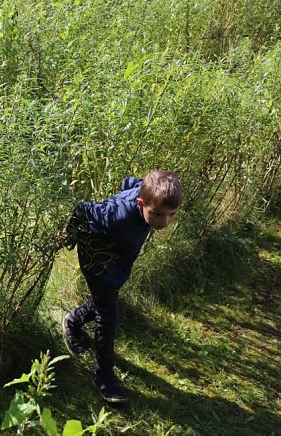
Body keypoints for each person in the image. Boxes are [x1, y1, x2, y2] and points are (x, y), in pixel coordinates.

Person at [62, 169, 183, 404]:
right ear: (141, 204)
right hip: (98, 261)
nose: (164, 222)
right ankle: (103, 375)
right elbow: (82, 209)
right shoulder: (116, 217)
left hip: (118, 262)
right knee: (108, 317)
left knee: (105, 303)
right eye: (158, 215)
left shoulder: (145, 196)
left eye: (171, 215)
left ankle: (72, 321)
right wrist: (70, 235)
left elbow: (129, 182)